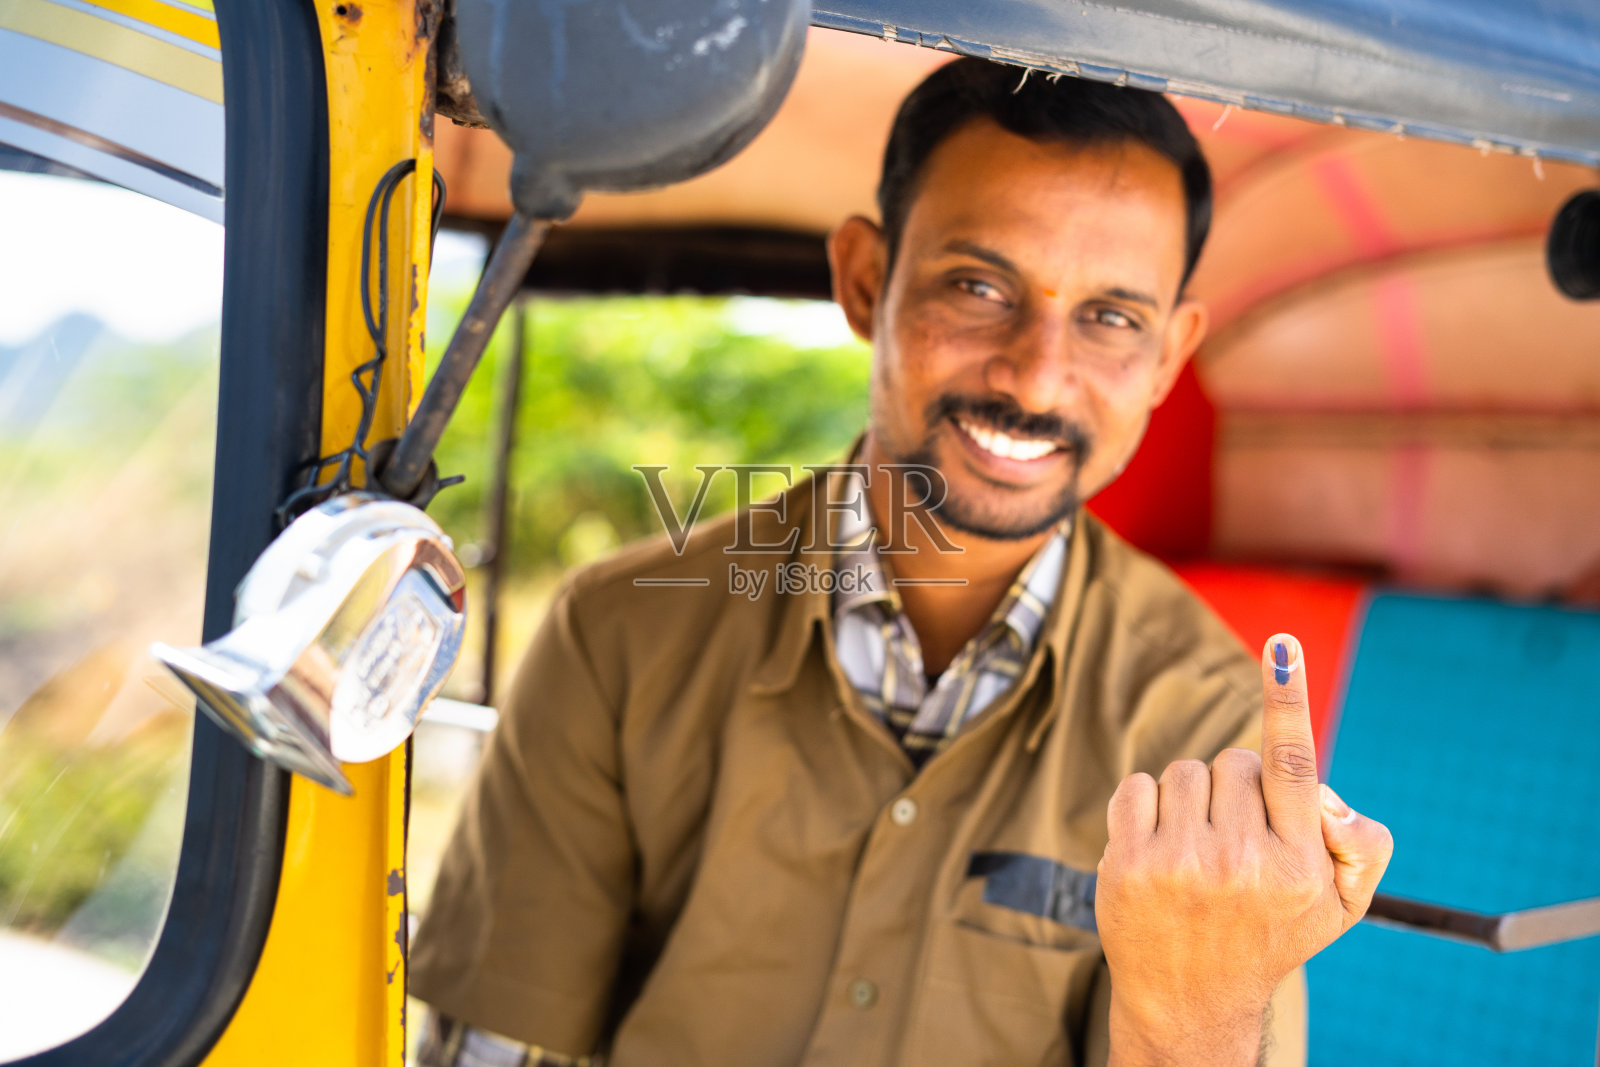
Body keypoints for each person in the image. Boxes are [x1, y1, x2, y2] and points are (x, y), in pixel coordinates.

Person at [410, 58, 1393, 1066]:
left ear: (1168, 357)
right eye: (978, 286)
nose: (1037, 375)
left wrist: (1209, 991)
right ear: (865, 281)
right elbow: (494, 1048)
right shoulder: (616, 633)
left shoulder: (1199, 723)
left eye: (1109, 317)